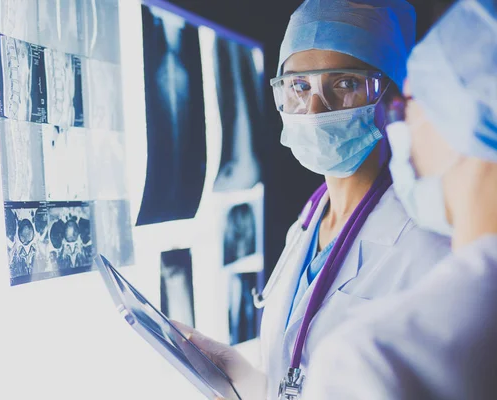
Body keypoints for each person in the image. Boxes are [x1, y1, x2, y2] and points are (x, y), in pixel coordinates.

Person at [178, 1, 451, 399]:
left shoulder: (430, 246)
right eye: (300, 87)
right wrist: (243, 378)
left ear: (392, 97)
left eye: (344, 84)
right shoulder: (305, 227)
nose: (314, 109)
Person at [303, 0, 497, 398]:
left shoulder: (372, 362)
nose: (402, 125)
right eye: (299, 86)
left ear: (459, 116)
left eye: (407, 103)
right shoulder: (309, 221)